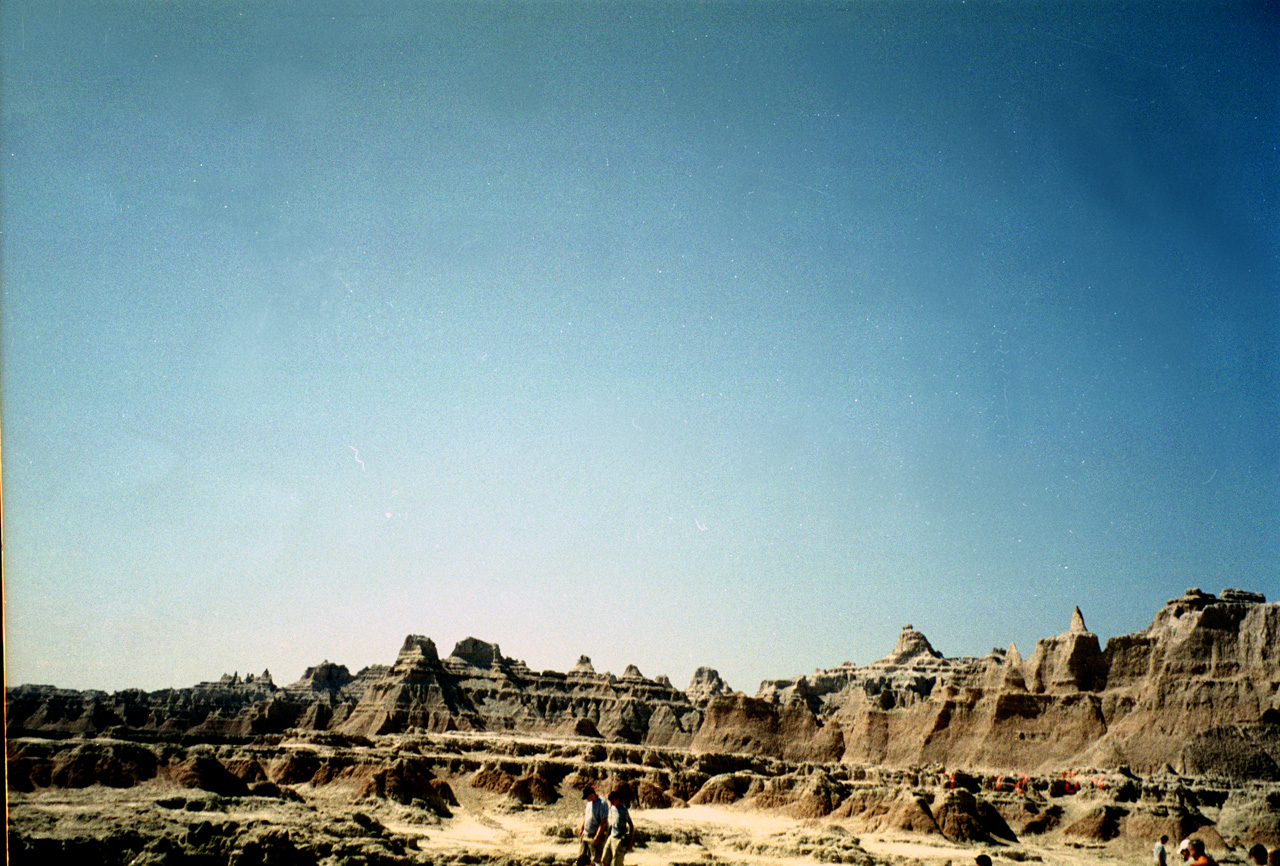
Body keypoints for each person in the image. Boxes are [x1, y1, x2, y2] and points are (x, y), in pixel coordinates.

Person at [600, 788, 635, 866]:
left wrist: (630, 842)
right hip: (611, 837)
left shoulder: (623, 810)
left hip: (619, 840)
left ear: (617, 799)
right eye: (611, 802)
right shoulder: (612, 808)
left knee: (616, 863)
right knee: (604, 860)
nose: (612, 803)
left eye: (613, 801)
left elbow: (631, 826)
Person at [576, 785, 608, 866]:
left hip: (594, 836)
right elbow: (586, 816)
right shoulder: (589, 803)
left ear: (591, 795)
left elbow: (603, 821)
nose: (586, 799)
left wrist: (598, 835)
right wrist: (582, 828)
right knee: (581, 859)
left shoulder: (602, 803)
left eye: (587, 797)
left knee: (595, 860)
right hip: (585, 834)